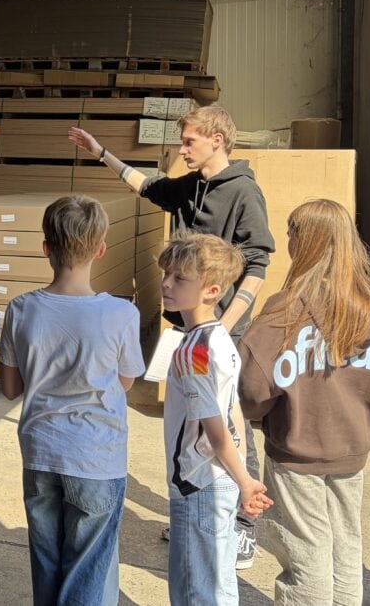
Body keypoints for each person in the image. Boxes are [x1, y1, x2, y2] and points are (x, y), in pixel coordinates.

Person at [70, 103, 275, 567]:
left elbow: (258, 265)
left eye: (189, 142)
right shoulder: (192, 187)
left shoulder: (243, 192)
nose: (182, 150)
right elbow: (146, 185)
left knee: (228, 422)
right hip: (189, 329)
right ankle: (198, 506)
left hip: (217, 331)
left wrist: (219, 328)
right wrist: (100, 151)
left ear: (217, 140)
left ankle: (244, 524)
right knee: (190, 421)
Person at [238, 199, 370, 605]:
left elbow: (252, 387)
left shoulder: (287, 311)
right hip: (352, 447)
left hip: (299, 450)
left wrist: (257, 416)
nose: (288, 241)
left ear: (302, 243)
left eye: (291, 234)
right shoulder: (368, 307)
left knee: (305, 555)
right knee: (345, 548)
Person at [0, 195, 147, 606]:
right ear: (100, 249)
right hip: (97, 457)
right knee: (89, 569)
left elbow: (10, 389)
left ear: (46, 248)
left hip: (41, 453)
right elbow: (126, 380)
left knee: (46, 560)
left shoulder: (22, 309)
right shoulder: (121, 314)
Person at [157, 233, 272, 605]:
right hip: (218, 479)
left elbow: (215, 426)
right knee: (219, 586)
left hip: (198, 482)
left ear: (211, 290)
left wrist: (245, 481)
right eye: (167, 274)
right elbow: (231, 410)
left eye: (180, 279)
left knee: (196, 591)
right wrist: (243, 477)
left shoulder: (195, 351)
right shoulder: (219, 337)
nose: (166, 284)